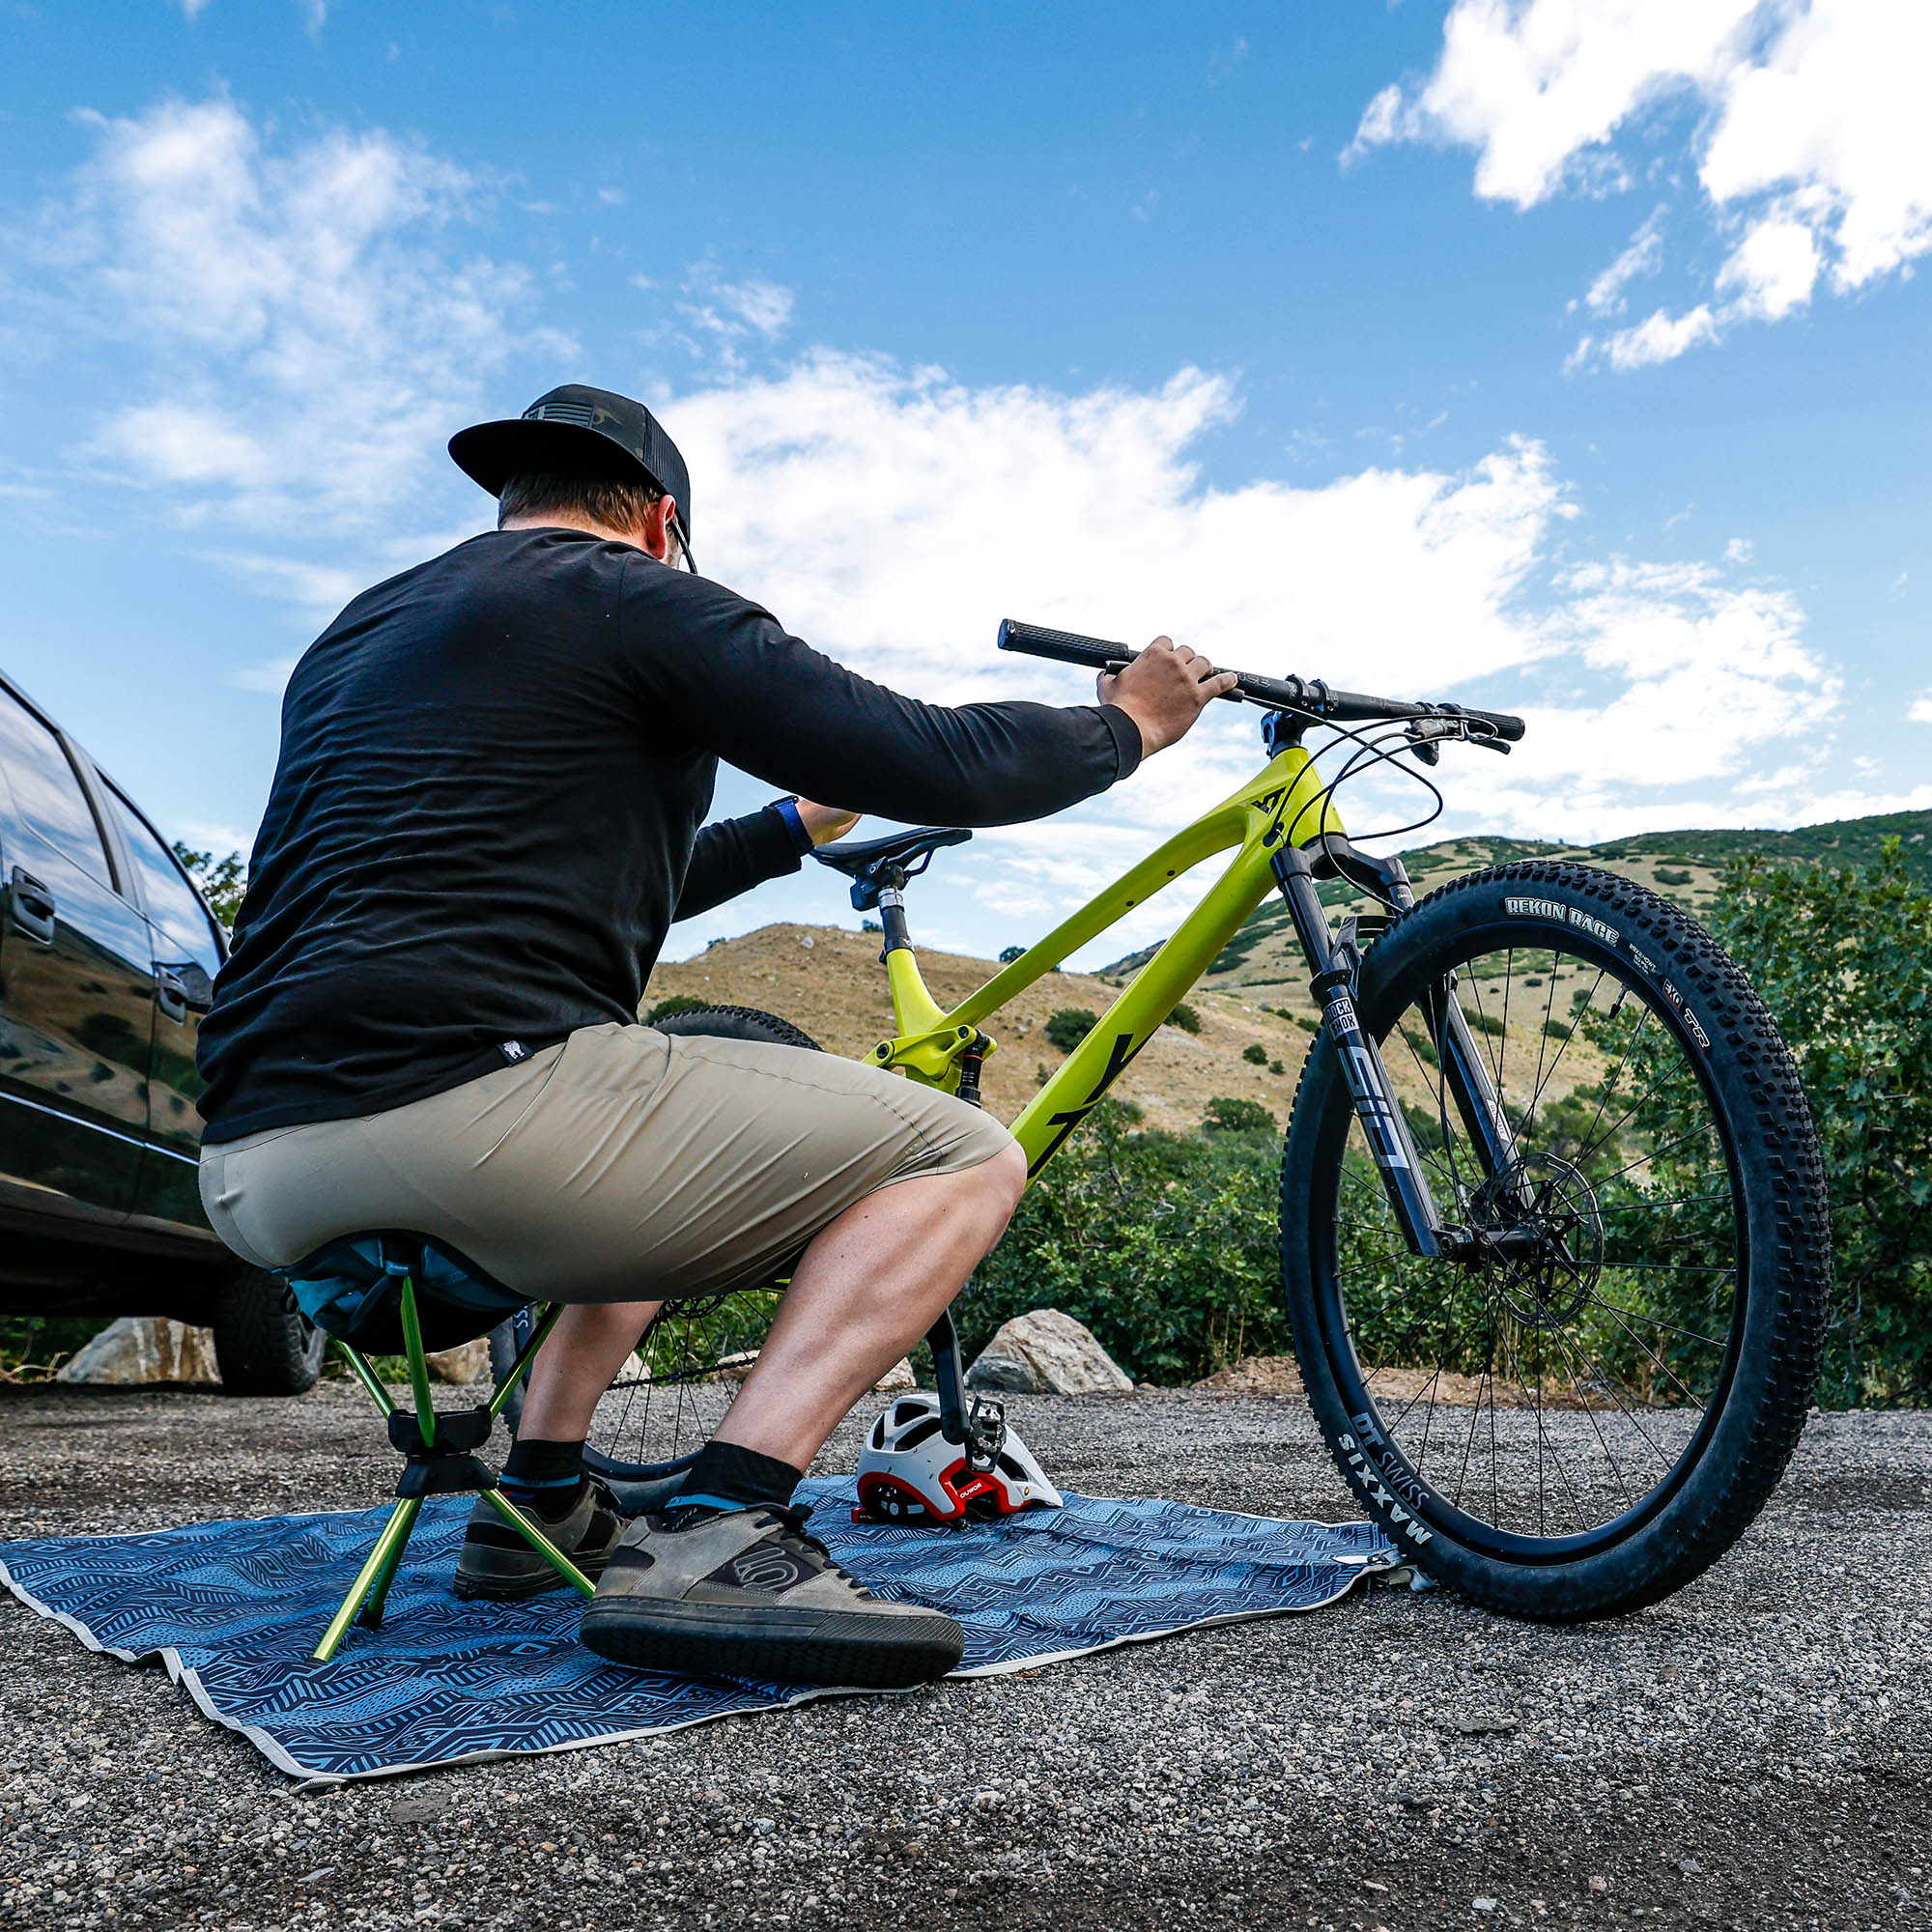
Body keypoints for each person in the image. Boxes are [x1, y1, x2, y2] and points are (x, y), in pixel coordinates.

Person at [194, 383, 1235, 1688]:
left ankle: (540, 1501)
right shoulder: (633, 597)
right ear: (662, 524)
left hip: (251, 1166)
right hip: (468, 1123)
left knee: (666, 1111)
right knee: (966, 1156)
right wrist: (1126, 721)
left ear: (515, 503)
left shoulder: (359, 638)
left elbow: (610, 877)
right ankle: (724, 1526)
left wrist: (794, 828)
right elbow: (944, 756)